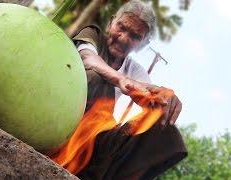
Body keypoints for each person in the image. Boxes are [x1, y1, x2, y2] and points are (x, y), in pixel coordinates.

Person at [72, 0, 187, 179]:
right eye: (121, 27)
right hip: (64, 125)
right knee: (98, 79)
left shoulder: (135, 71)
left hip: (98, 145)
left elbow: (148, 92)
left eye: (134, 36)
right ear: (111, 23)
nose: (124, 39)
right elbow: (88, 58)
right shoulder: (92, 34)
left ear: (142, 43)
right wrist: (120, 79)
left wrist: (164, 97)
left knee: (165, 130)